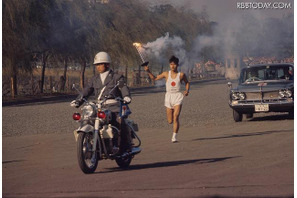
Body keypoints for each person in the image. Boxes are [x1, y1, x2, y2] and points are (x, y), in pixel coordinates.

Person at [71, 51, 132, 152]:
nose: (98, 67)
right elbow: (86, 90)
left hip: (114, 105)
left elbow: (123, 87)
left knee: (118, 120)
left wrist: (126, 96)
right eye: (96, 65)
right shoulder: (94, 79)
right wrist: (78, 100)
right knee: (86, 119)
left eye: (100, 64)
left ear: (107, 64)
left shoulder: (116, 77)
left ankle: (122, 145)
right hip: (99, 106)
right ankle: (89, 141)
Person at [144, 55, 190, 143]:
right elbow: (154, 78)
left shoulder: (181, 75)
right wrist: (148, 71)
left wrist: (187, 91)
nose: (172, 66)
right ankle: (173, 124)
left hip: (177, 96)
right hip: (168, 97)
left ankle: (174, 137)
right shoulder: (166, 74)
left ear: (177, 65)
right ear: (169, 65)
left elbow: (187, 83)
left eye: (174, 64)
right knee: (170, 121)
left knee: (176, 116)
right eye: (171, 64)